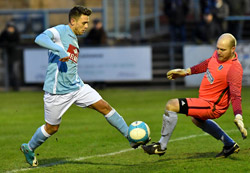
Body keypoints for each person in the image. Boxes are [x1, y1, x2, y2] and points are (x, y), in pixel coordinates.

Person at [20, 6, 145, 167]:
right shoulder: (61, 31)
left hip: (77, 87)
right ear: (73, 21)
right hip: (57, 92)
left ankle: (130, 137)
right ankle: (29, 147)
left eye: (88, 23)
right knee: (52, 128)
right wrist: (59, 49)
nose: (87, 26)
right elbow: (39, 38)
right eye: (84, 23)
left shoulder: (74, 37)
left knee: (104, 107)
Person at [142, 33, 247, 158]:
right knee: (196, 120)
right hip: (205, 100)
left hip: (213, 106)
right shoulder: (218, 56)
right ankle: (230, 145)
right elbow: (208, 63)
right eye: (217, 48)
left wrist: (238, 116)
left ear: (232, 49)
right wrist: (186, 71)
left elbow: (235, 95)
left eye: (222, 49)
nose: (218, 52)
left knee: (172, 105)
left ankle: (161, 146)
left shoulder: (234, 69)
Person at [0, 21, 21, 91]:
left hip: (15, 56)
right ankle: (9, 86)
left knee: (15, 72)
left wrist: (10, 45)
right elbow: (1, 43)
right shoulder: (4, 34)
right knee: (8, 72)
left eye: (12, 27)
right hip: (6, 56)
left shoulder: (16, 34)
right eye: (9, 27)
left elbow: (18, 43)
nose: (10, 29)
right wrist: (6, 44)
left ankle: (16, 87)